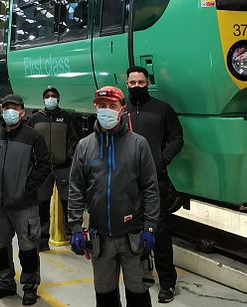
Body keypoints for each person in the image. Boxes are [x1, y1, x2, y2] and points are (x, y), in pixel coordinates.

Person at [68, 86, 159, 307]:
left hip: (133, 237)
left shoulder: (139, 144)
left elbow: (150, 188)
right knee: (105, 296)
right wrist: (76, 228)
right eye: (102, 106)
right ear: (95, 108)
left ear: (122, 109)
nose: (106, 110)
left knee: (138, 295)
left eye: (112, 106)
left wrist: (150, 227)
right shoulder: (85, 146)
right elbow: (76, 189)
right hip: (100, 239)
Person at [0, 94, 52, 306]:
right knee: (0, 248)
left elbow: (45, 166)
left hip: (25, 205)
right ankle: (5, 283)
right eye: (6, 108)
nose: (9, 111)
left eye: (14, 108)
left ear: (22, 111)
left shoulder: (33, 137)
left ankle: (30, 287)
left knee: (28, 249)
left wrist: (27, 188)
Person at [124, 66, 184, 303]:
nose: (136, 86)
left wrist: (163, 159)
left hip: (155, 183)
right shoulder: (121, 111)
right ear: (126, 84)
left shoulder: (162, 110)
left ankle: (167, 283)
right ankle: (140, 275)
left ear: (147, 83)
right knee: (131, 233)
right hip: (126, 184)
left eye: (140, 82)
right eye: (132, 83)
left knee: (159, 233)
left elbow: (177, 138)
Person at [27, 85, 81, 251]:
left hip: (63, 168)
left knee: (68, 202)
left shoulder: (67, 118)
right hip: (42, 170)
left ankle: (74, 237)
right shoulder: (35, 119)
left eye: (54, 95)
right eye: (48, 95)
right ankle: (42, 241)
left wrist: (69, 156)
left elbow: (76, 139)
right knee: (42, 204)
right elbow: (28, 141)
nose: (51, 98)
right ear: (44, 99)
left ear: (58, 99)